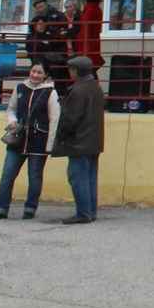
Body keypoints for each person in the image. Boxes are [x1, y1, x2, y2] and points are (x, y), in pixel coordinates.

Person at [0, 59, 60, 221]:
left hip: (39, 140)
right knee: (7, 175)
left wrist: (50, 144)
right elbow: (11, 109)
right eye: (33, 71)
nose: (35, 75)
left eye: (39, 72)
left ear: (45, 75)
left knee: (34, 177)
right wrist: (12, 121)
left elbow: (54, 120)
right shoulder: (20, 88)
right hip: (18, 139)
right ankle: (1, 208)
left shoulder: (50, 92)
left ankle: (30, 208)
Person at [50, 53, 104, 226]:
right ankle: (90, 211)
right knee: (90, 177)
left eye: (71, 69)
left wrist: (61, 136)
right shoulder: (95, 87)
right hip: (94, 141)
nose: (69, 72)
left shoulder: (77, 90)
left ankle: (83, 213)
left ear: (76, 70)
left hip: (79, 141)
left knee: (77, 177)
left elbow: (70, 119)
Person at [75, 0, 104, 70]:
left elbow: (85, 29)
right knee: (91, 69)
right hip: (94, 42)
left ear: (86, 0)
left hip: (86, 44)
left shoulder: (89, 10)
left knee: (85, 69)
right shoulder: (98, 9)